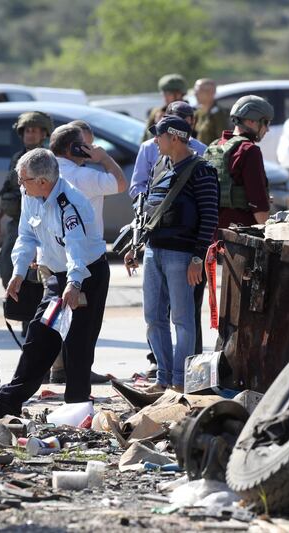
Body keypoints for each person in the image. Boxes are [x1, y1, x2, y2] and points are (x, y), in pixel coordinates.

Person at [0, 148, 110, 420]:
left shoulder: (71, 203)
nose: (20, 185)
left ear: (43, 181)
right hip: (58, 277)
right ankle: (9, 401)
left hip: (85, 276)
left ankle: (78, 408)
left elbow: (75, 247)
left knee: (77, 344)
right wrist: (18, 273)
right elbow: (26, 235)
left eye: (24, 180)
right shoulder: (30, 194)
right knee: (39, 336)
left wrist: (75, 283)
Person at [124, 116, 219, 393]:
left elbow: (209, 216)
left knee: (182, 318)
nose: (155, 140)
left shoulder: (202, 170)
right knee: (153, 317)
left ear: (175, 137)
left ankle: (180, 380)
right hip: (154, 250)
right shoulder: (161, 165)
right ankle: (163, 378)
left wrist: (198, 257)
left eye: (160, 135)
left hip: (182, 255)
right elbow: (151, 210)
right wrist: (136, 245)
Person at [47, 124, 125, 384]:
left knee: (56, 317)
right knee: (84, 323)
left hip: (52, 256)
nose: (90, 149)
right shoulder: (85, 176)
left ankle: (58, 369)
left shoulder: (44, 170)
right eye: (85, 145)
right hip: (85, 258)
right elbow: (121, 183)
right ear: (73, 148)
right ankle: (77, 374)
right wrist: (103, 158)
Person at [0, 111, 54, 289]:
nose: (30, 134)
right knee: (7, 265)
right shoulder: (17, 158)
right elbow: (7, 189)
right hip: (18, 221)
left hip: (44, 222)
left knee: (41, 271)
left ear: (43, 134)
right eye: (27, 131)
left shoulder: (48, 159)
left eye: (34, 131)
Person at [205, 95, 273, 229]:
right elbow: (257, 202)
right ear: (251, 121)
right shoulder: (249, 150)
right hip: (239, 235)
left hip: (213, 231)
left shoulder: (214, 146)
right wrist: (268, 229)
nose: (268, 129)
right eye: (265, 122)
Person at [130, 101, 207, 198]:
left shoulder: (202, 150)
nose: (183, 129)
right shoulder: (148, 148)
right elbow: (136, 187)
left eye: (187, 125)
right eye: (177, 123)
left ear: (193, 123)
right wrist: (155, 201)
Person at [142, 73, 189, 143]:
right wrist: (157, 125)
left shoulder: (191, 114)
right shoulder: (157, 113)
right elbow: (146, 139)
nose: (165, 97)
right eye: (164, 94)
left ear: (179, 94)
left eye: (168, 94)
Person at [193, 78, 231, 145]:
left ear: (211, 93)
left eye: (199, 91)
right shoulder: (198, 113)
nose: (195, 94)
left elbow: (224, 141)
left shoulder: (219, 115)